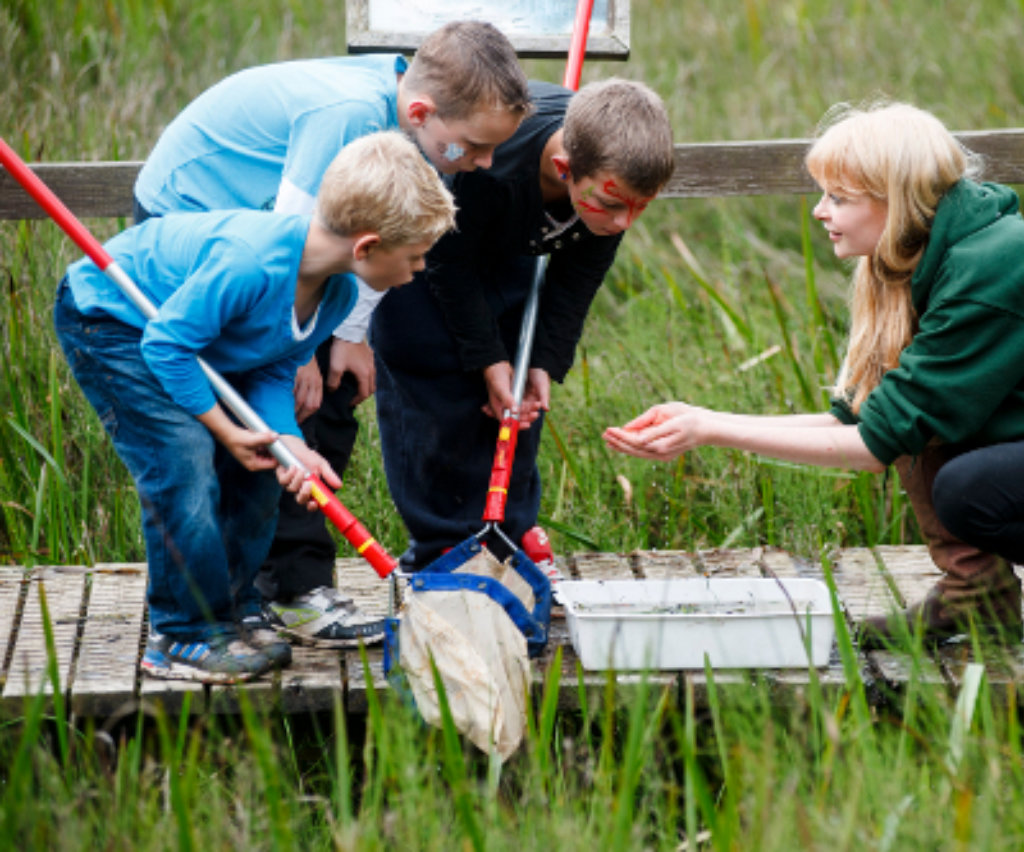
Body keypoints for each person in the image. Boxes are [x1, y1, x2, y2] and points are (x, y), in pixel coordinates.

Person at [603, 101, 1024, 663]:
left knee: (972, 489)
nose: (821, 213)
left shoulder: (992, 268)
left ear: (898, 198)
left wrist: (710, 429)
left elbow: (870, 449)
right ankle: (977, 597)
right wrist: (701, 418)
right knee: (921, 426)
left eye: (840, 197)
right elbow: (864, 422)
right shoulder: (929, 262)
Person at [132, 21, 531, 647]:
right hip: (195, 231)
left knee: (331, 390)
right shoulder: (349, 120)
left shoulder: (415, 125)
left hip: (267, 243)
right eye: (476, 147)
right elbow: (293, 244)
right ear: (422, 112)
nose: (484, 163)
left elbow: (371, 239)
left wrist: (350, 334)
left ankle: (274, 589)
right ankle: (279, 592)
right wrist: (304, 352)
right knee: (288, 403)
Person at [57, 132, 456, 683]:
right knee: (184, 465)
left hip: (187, 342)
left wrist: (290, 444)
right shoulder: (250, 263)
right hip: (116, 320)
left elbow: (272, 366)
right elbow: (167, 348)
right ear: (366, 247)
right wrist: (224, 429)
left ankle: (234, 610)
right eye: (413, 258)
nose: (416, 271)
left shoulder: (335, 292)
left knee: (263, 471)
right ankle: (183, 635)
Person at [372, 78, 675, 570]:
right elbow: (450, 264)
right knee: (439, 394)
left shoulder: (610, 186)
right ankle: (442, 546)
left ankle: (510, 536)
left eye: (642, 208)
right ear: (563, 169)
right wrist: (487, 359)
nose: (626, 223)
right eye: (616, 206)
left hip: (510, 248)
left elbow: (577, 279)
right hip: (420, 254)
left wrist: (543, 361)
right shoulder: (492, 166)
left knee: (517, 403)